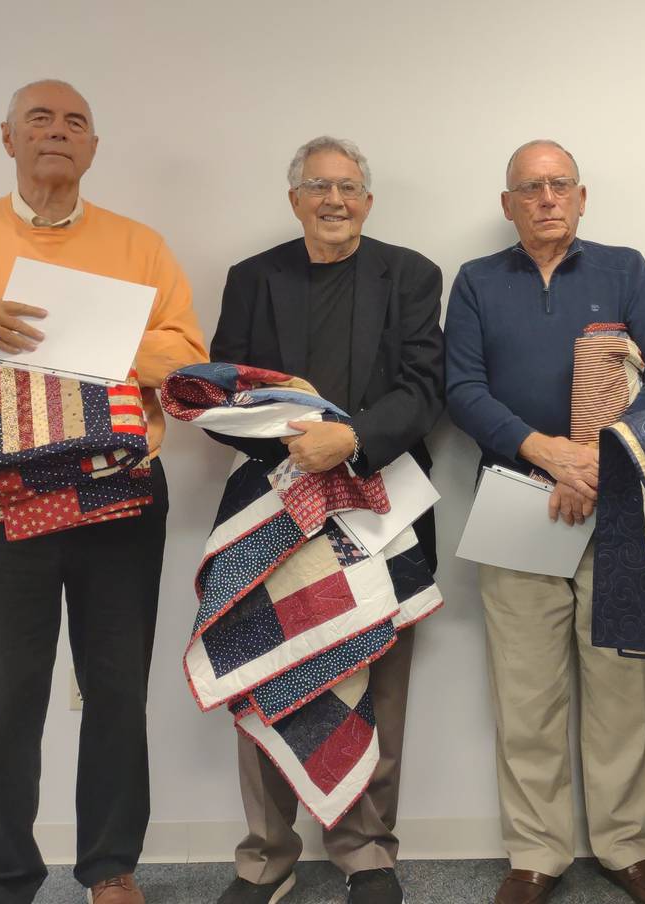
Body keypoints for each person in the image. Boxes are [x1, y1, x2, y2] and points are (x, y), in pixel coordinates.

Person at [0, 78, 208, 904]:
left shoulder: (141, 244)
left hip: (120, 496)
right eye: (40, 120)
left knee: (118, 687)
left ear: (93, 148)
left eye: (76, 122)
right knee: (0, 698)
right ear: (8, 139)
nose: (59, 132)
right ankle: (1, 876)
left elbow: (185, 356)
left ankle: (112, 868)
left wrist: (104, 334)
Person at [444, 140, 645, 904]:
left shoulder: (624, 268)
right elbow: (461, 386)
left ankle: (625, 846)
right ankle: (537, 853)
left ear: (582, 198)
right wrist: (547, 451)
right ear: (507, 203)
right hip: (516, 500)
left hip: (615, 502)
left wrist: (596, 456)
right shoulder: (478, 282)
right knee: (527, 692)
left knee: (618, 684)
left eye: (559, 185)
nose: (546, 198)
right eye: (530, 188)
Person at [207, 135, 445, 904]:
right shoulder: (253, 278)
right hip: (271, 506)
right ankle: (265, 858)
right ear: (294, 200)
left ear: (368, 202)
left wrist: (353, 438)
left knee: (376, 677)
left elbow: (424, 386)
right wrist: (292, 440)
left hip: (383, 501)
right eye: (318, 187)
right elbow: (221, 393)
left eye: (347, 188)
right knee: (265, 671)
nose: (334, 200)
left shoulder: (410, 274)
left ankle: (367, 852)